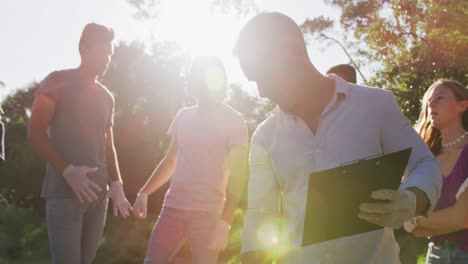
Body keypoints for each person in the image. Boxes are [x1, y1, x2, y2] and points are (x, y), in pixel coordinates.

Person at [234, 12, 442, 263]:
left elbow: (425, 164)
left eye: (262, 75)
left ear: (293, 52)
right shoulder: (264, 137)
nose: (261, 91)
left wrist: (411, 200)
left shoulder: (376, 104)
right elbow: (260, 214)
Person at [28, 23, 132, 264]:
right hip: (64, 194)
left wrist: (117, 183)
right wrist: (68, 171)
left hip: (99, 197)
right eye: (102, 52)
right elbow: (35, 132)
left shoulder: (107, 97)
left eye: (110, 54)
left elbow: (108, 146)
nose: (107, 59)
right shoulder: (57, 81)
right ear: (84, 48)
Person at [132, 56, 249, 264]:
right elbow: (170, 161)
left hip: (209, 215)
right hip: (172, 210)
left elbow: (238, 177)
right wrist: (144, 192)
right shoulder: (182, 116)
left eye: (195, 74)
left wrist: (225, 223)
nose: (191, 79)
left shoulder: (234, 120)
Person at [405, 79, 468, 263]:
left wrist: (414, 222)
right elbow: (414, 230)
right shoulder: (424, 158)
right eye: (429, 100)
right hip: (435, 255)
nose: (431, 103)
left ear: (462, 105)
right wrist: (414, 224)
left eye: (439, 98)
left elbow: (461, 218)